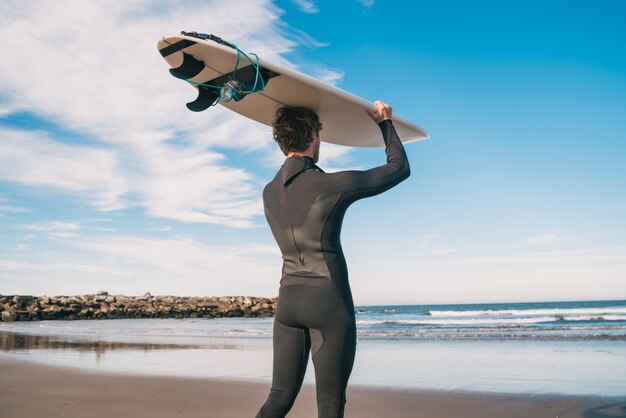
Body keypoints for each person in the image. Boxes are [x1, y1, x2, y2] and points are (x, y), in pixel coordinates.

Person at [256, 100, 410, 418]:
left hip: (287, 304)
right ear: (314, 136)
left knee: (278, 397)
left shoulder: (268, 191)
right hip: (327, 304)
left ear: (281, 142)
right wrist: (385, 123)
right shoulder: (330, 185)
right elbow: (398, 169)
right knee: (329, 405)